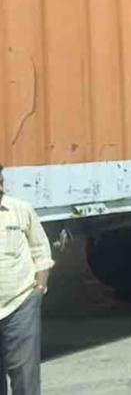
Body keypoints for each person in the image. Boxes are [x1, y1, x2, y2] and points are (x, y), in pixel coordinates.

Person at [0, 164, 54, 395]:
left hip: (19, 303)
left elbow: (41, 250)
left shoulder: (20, 210)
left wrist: (39, 287)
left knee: (25, 380)